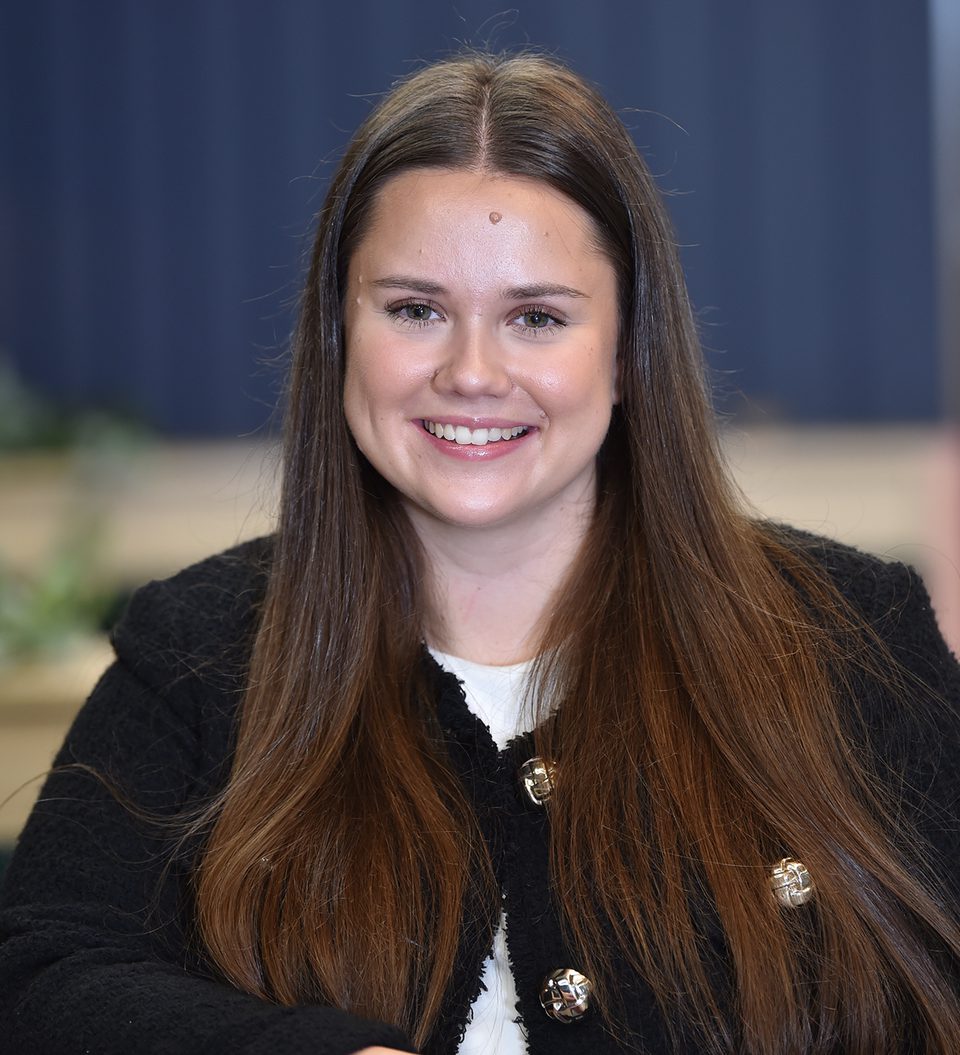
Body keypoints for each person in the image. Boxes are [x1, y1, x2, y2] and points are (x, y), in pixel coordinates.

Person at [2, 50, 960, 1055]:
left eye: (536, 317)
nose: (470, 372)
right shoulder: (197, 654)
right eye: (415, 310)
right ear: (339, 334)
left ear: (631, 349)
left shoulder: (854, 634)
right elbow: (42, 980)